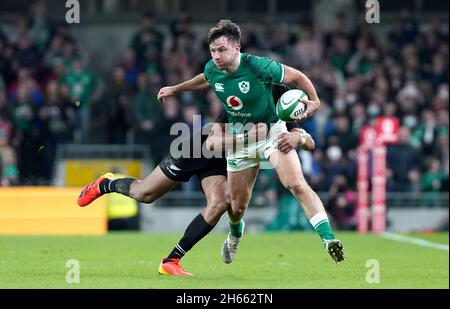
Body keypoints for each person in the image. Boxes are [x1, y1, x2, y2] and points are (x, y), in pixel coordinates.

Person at [157, 19, 345, 263]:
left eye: (222, 50)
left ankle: (328, 238)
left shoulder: (258, 67)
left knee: (296, 183)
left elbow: (297, 76)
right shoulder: (214, 72)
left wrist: (315, 101)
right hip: (240, 140)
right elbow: (203, 78)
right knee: (236, 208)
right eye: (213, 51)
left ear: (237, 48)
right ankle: (236, 233)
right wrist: (175, 89)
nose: (216, 55)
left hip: (271, 133)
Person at [77, 84, 316, 276]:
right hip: (197, 148)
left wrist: (300, 136)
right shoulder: (237, 100)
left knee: (220, 202)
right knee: (145, 194)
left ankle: (171, 260)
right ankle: (105, 184)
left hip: (224, 160)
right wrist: (248, 135)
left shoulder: (280, 101)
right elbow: (215, 138)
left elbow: (294, 132)